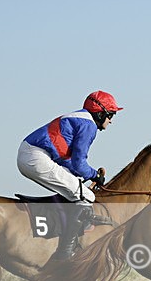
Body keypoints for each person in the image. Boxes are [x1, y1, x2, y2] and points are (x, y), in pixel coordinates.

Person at [17, 90, 123, 260]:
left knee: (76, 188)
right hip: (36, 156)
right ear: (101, 113)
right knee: (86, 196)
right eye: (111, 115)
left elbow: (68, 161)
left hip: (33, 154)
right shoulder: (88, 126)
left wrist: (85, 176)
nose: (111, 120)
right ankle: (66, 252)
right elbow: (78, 163)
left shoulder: (80, 119)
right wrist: (95, 175)